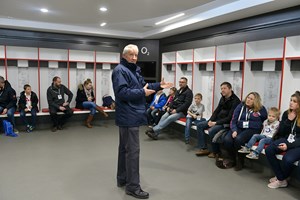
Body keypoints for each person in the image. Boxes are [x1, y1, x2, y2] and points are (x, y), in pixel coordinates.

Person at [112, 44, 173, 199]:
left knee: (125, 149)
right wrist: (142, 92)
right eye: (131, 55)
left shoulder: (133, 69)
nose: (134, 57)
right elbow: (122, 92)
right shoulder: (120, 70)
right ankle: (132, 187)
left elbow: (142, 86)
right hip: (128, 115)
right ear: (124, 55)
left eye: (136, 55)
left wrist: (159, 85)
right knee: (132, 152)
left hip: (131, 114)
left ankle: (123, 179)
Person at [223, 92, 267, 171]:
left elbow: (260, 124)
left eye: (251, 99)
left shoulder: (261, 109)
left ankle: (240, 160)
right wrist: (234, 130)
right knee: (227, 140)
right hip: (238, 127)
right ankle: (232, 159)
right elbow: (233, 121)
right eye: (248, 97)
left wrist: (244, 123)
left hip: (253, 130)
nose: (248, 100)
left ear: (255, 101)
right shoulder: (240, 106)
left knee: (239, 139)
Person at [195, 82, 240, 158]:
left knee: (212, 130)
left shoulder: (236, 101)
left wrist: (215, 123)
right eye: (221, 88)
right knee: (199, 125)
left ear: (230, 89)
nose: (222, 90)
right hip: (216, 120)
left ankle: (216, 152)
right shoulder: (223, 97)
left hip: (226, 123)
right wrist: (210, 120)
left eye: (224, 88)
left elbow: (230, 118)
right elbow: (217, 110)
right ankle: (204, 148)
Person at [265, 91, 300, 189]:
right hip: (287, 139)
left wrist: (288, 146)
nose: (291, 103)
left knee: (287, 159)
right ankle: (281, 178)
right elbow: (281, 131)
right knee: (269, 150)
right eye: (291, 100)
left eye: (294, 101)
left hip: (297, 144)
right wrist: (288, 120)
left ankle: (280, 179)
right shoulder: (286, 113)